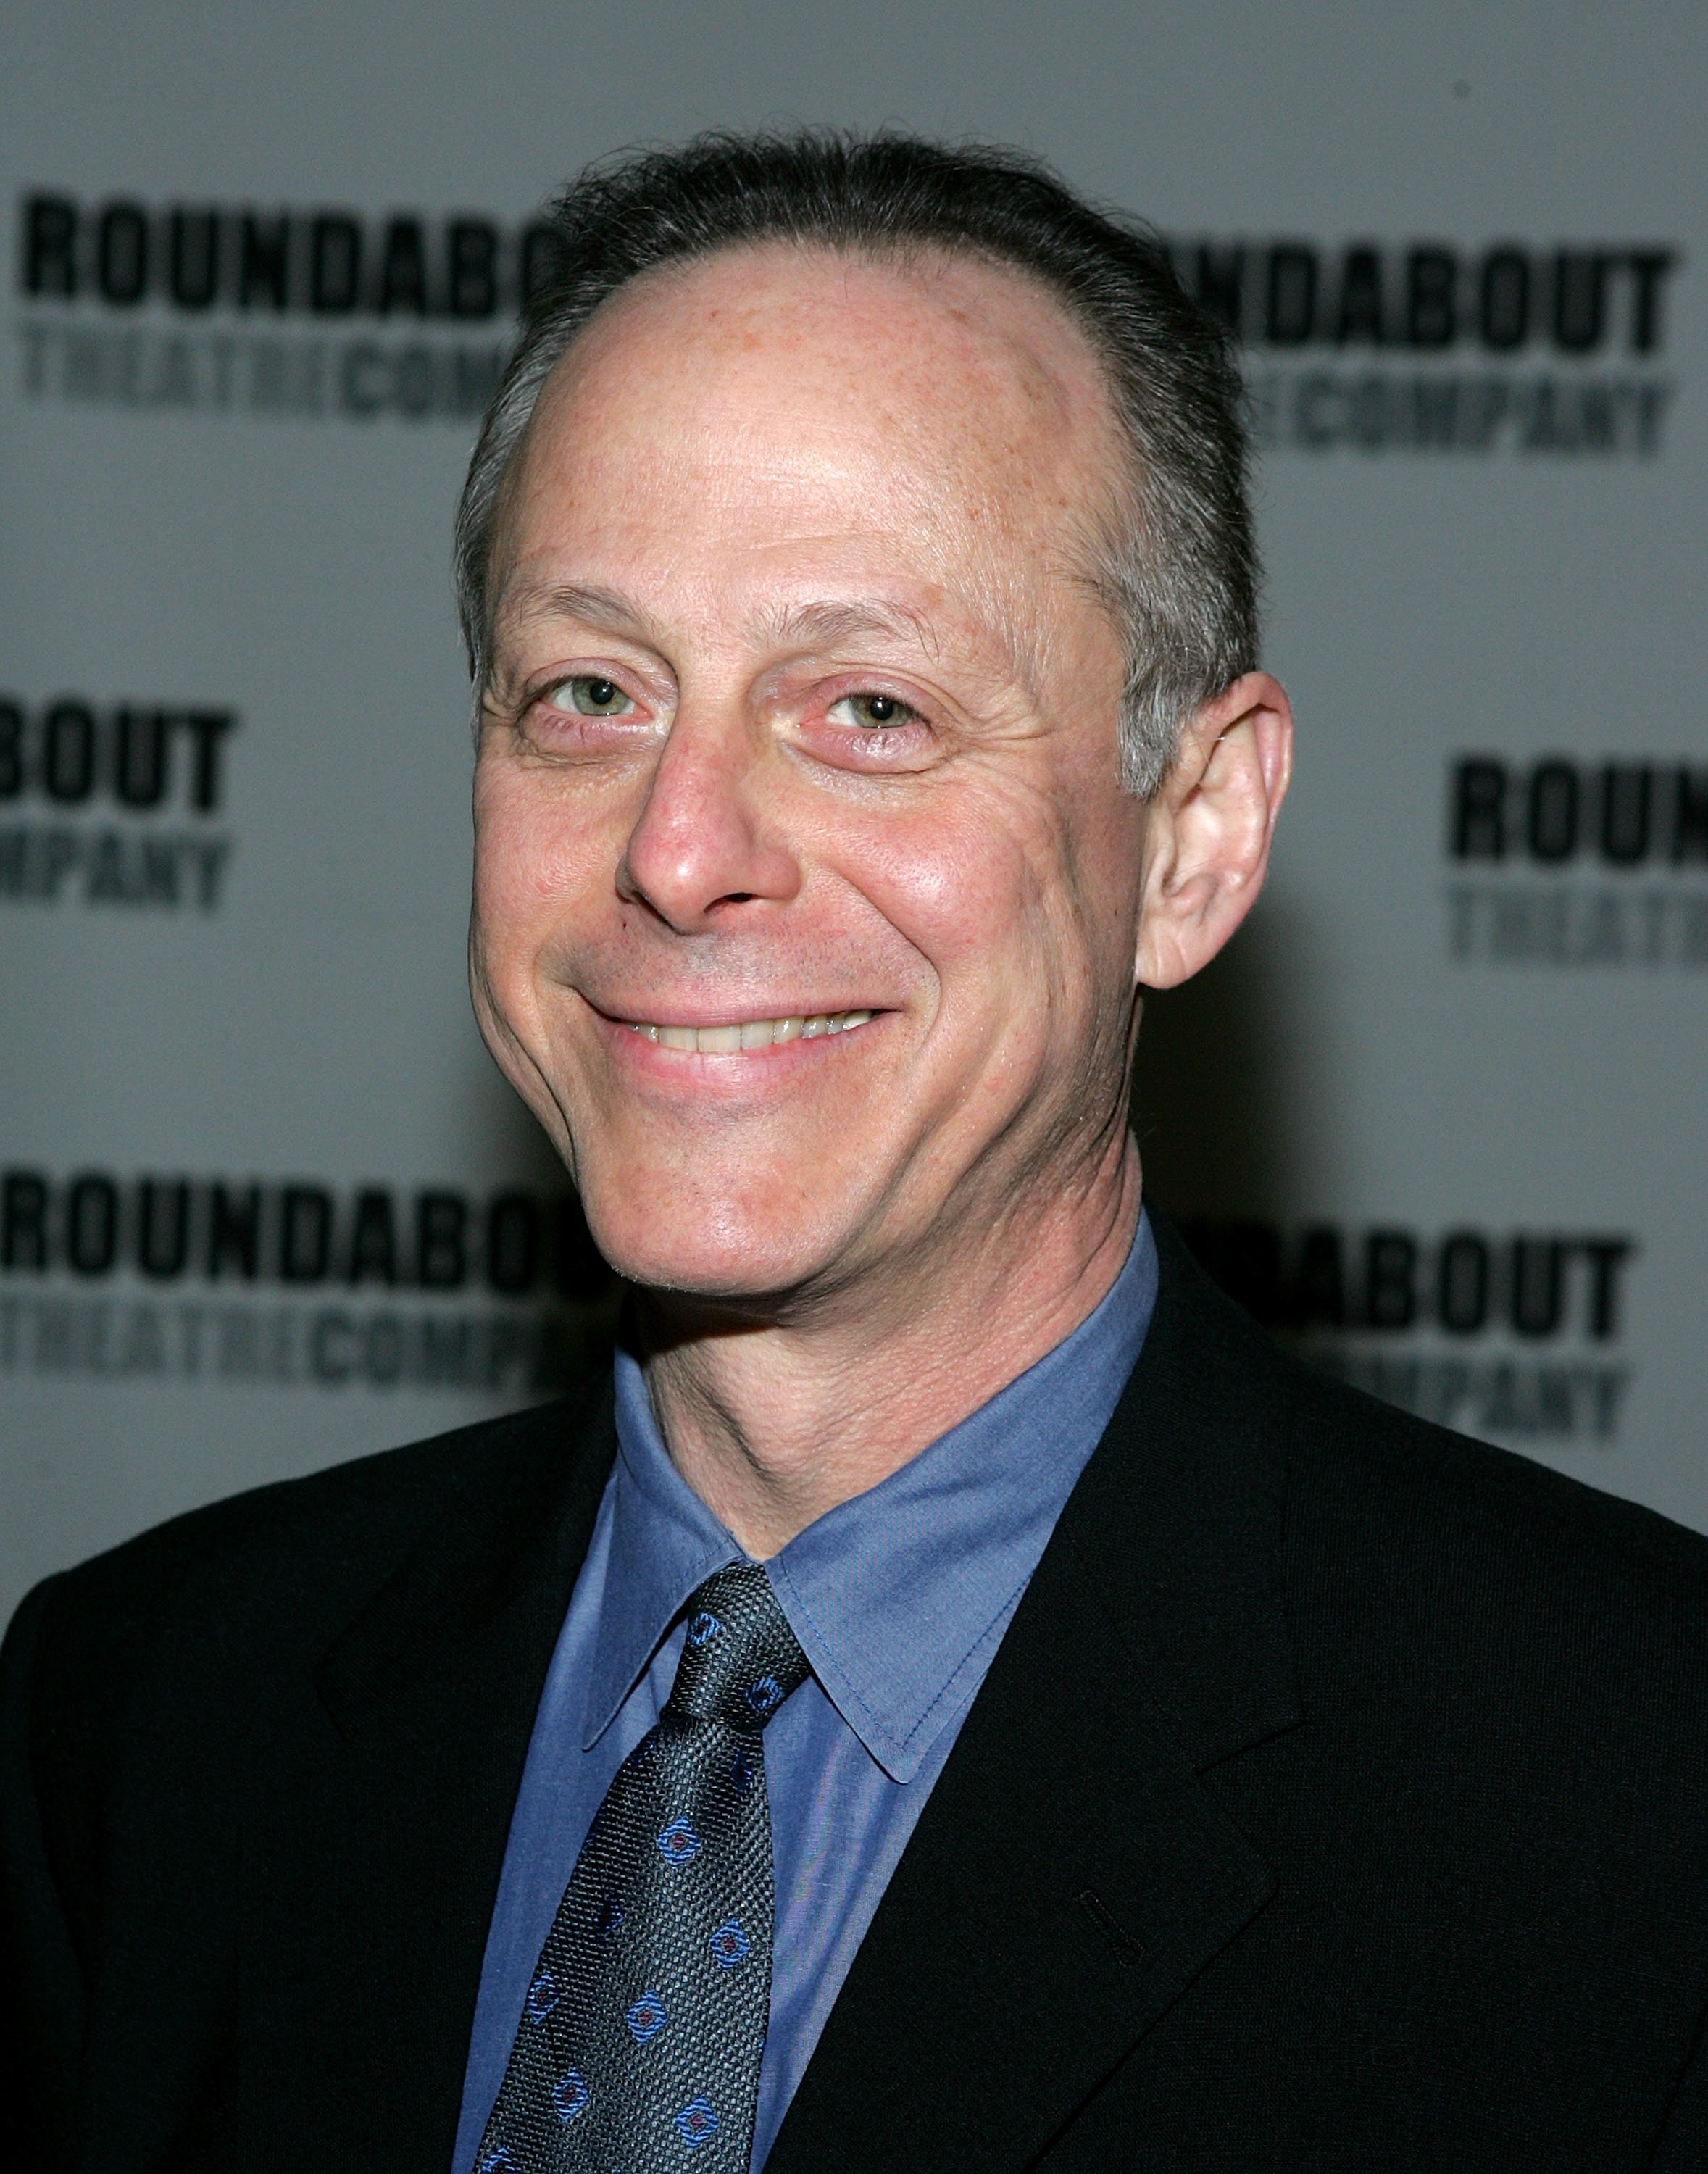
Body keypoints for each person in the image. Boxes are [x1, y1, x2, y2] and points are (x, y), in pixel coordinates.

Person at [4, 131, 1707, 2174]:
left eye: (872, 710)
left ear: (1194, 838)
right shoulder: (146, 1718)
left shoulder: (1638, 1798)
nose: (678, 846)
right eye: (590, 692)